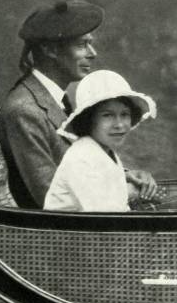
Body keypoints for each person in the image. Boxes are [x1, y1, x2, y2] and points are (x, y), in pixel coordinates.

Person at [0, 0, 157, 208]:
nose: (93, 53)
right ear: (50, 50)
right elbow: (53, 199)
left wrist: (125, 175)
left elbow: (74, 167)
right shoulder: (24, 111)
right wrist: (126, 191)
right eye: (82, 45)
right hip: (62, 234)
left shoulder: (53, 98)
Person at [44, 70, 156, 212]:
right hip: (66, 232)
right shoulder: (81, 157)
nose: (119, 124)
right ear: (89, 119)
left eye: (125, 114)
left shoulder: (103, 151)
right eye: (107, 115)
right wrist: (130, 192)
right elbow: (104, 216)